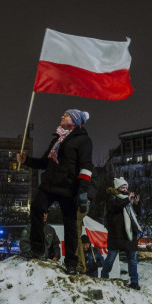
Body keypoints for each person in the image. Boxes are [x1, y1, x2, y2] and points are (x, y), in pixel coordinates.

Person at [17, 109, 93, 274]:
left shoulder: (83, 140)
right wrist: (26, 161)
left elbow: (86, 166)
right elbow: (45, 162)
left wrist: (82, 191)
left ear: (74, 121)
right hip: (50, 185)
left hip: (69, 187)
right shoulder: (57, 140)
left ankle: (71, 262)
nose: (61, 116)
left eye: (65, 115)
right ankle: (37, 249)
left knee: (70, 225)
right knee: (37, 207)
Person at [101, 177, 141, 290]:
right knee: (110, 258)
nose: (125, 189)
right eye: (123, 187)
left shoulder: (129, 200)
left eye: (126, 187)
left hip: (129, 234)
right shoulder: (111, 197)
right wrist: (128, 200)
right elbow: (114, 208)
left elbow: (137, 216)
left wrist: (137, 204)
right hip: (116, 234)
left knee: (132, 259)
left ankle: (134, 282)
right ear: (117, 187)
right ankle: (104, 278)